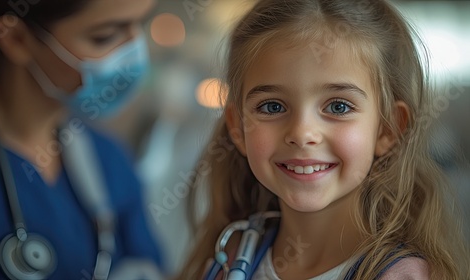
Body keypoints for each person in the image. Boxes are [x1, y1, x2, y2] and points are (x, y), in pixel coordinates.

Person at [178, 0, 470, 279]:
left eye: (338, 107)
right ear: (238, 128)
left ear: (387, 129)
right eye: (273, 106)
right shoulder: (229, 261)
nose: (302, 134)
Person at [0, 0, 164, 279]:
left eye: (140, 25)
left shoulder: (108, 161)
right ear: (16, 39)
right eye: (105, 36)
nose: (135, 51)